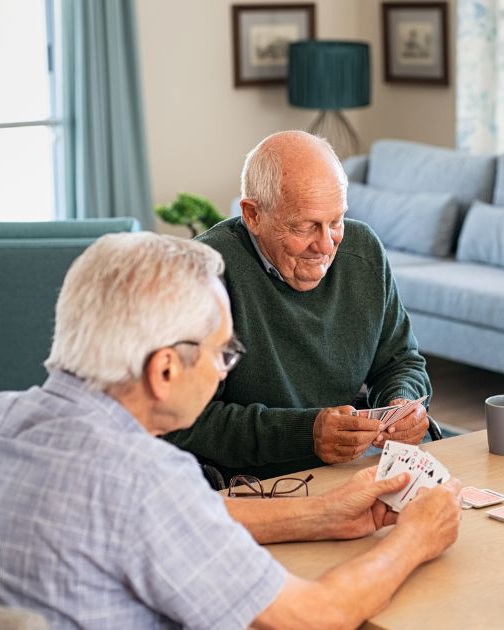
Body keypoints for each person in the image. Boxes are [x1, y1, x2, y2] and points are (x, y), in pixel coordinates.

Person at [0, 233, 462, 629]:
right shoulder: (146, 479)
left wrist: (323, 514)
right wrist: (416, 539)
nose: (225, 369)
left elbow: (158, 526)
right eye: (223, 352)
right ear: (165, 370)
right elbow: (318, 616)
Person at [164, 131, 431, 479]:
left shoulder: (363, 250)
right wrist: (305, 434)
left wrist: (402, 403)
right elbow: (183, 420)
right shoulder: (204, 274)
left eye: (335, 222)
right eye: (305, 226)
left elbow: (402, 361)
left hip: (352, 470)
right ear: (253, 215)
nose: (325, 245)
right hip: (249, 486)